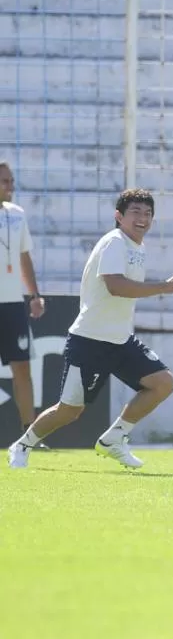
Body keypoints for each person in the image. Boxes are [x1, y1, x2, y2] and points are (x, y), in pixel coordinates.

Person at [8, 189, 173, 469]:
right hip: (90, 341)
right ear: (118, 216)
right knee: (69, 410)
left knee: (163, 383)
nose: (142, 218)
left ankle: (114, 439)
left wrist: (162, 288)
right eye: (135, 212)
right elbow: (115, 286)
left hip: (121, 341)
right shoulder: (114, 243)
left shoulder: (137, 247)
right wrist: (164, 287)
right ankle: (22, 445)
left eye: (147, 213)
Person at [0, 162, 47, 448]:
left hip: (13, 304)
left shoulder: (17, 215)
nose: (10, 186)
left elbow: (24, 257)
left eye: (11, 181)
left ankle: (29, 435)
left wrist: (34, 295)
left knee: (22, 369)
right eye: (5, 181)